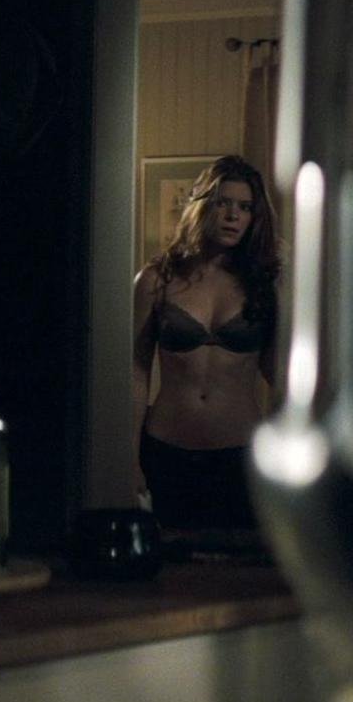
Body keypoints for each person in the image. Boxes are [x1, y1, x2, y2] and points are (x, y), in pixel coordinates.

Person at [131, 156, 281, 532]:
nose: (233, 216)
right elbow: (135, 371)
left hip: (241, 453)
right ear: (201, 207)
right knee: (168, 561)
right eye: (223, 203)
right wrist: (128, 456)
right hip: (165, 448)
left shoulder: (264, 286)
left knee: (237, 562)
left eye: (244, 207)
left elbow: (280, 375)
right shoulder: (156, 280)